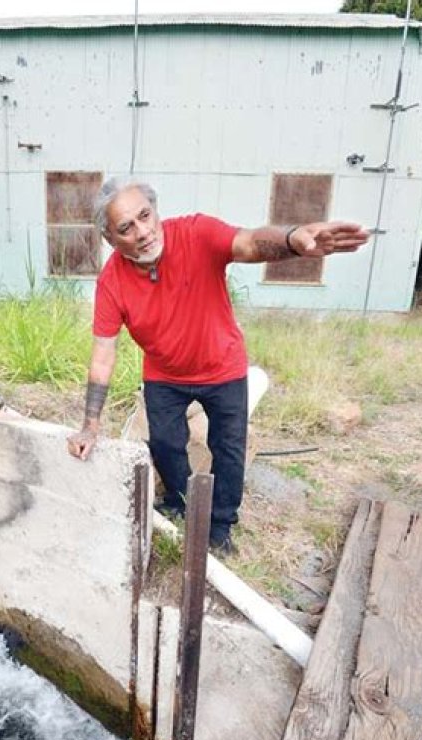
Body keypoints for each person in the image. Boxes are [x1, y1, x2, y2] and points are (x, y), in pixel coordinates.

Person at [67, 176, 369, 554]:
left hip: (222, 366)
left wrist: (293, 238)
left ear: (156, 210)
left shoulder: (196, 233)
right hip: (164, 374)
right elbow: (102, 355)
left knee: (228, 446)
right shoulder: (112, 280)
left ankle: (221, 524)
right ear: (111, 239)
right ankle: (180, 503)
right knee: (164, 444)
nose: (143, 232)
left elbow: (249, 243)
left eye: (146, 215)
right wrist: (90, 427)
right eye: (127, 228)